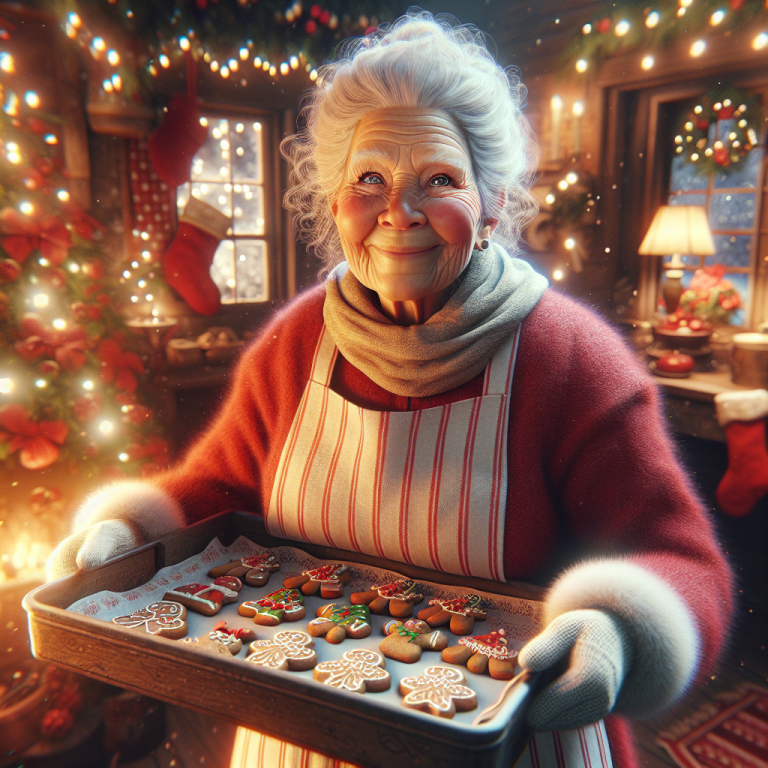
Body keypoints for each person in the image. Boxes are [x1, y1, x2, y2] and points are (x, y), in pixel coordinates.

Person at [49, 12, 733, 768]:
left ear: (493, 203)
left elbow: (680, 562)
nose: (398, 213)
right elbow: (213, 490)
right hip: (297, 727)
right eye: (369, 179)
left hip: (511, 743)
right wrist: (133, 537)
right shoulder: (296, 343)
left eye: (437, 180)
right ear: (335, 201)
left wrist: (620, 630)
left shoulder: (569, 357)